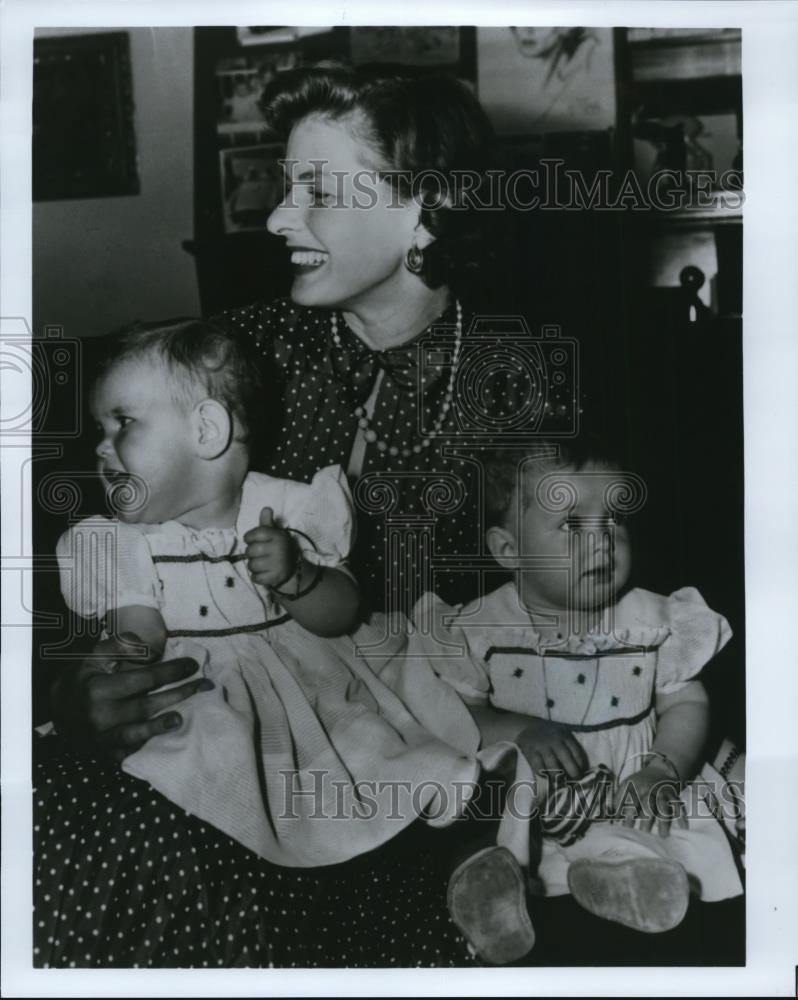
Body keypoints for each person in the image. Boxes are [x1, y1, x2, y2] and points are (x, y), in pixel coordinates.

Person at [34, 66, 545, 968]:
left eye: (315, 190)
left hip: (392, 758)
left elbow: (561, 603)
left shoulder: (522, 384)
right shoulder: (237, 354)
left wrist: (503, 719)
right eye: (282, 186)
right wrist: (72, 687)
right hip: (206, 717)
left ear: (425, 208)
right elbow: (130, 540)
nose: (275, 219)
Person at [436, 437, 744, 951]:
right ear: (509, 550)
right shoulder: (482, 630)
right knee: (479, 827)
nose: (602, 540)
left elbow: (686, 702)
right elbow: (456, 714)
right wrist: (517, 732)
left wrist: (663, 768)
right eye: (573, 525)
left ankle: (616, 883)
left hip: (631, 789)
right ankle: (492, 894)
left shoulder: (648, 620)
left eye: (614, 520)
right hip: (535, 805)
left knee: (660, 834)